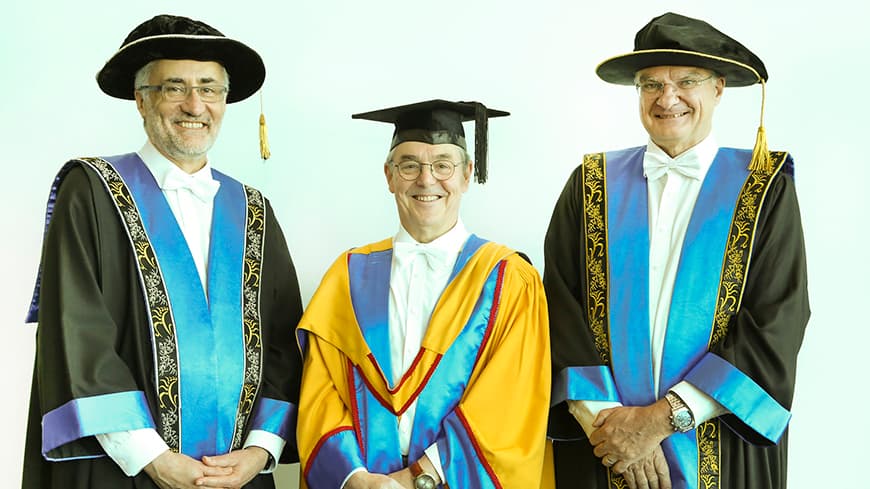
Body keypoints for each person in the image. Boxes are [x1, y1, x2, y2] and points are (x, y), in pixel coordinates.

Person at [22, 14, 303, 489]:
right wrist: (152, 456)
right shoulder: (91, 191)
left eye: (209, 88)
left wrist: (260, 450)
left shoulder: (253, 209)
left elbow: (283, 338)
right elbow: (77, 331)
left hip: (236, 475)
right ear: (141, 100)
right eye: (175, 87)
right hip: (121, 468)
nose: (195, 104)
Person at [544, 12, 810, 489]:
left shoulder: (762, 188)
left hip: (721, 444)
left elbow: (776, 319)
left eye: (687, 80)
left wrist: (659, 422)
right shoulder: (590, 185)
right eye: (650, 85)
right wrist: (610, 427)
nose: (668, 98)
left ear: (719, 88)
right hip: (601, 448)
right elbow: (560, 309)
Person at [296, 100, 553, 489]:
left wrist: (420, 477)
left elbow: (510, 403)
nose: (427, 180)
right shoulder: (347, 276)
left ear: (468, 174)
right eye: (409, 165)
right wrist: (354, 478)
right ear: (389, 176)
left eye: (443, 165)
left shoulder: (509, 279)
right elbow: (320, 393)